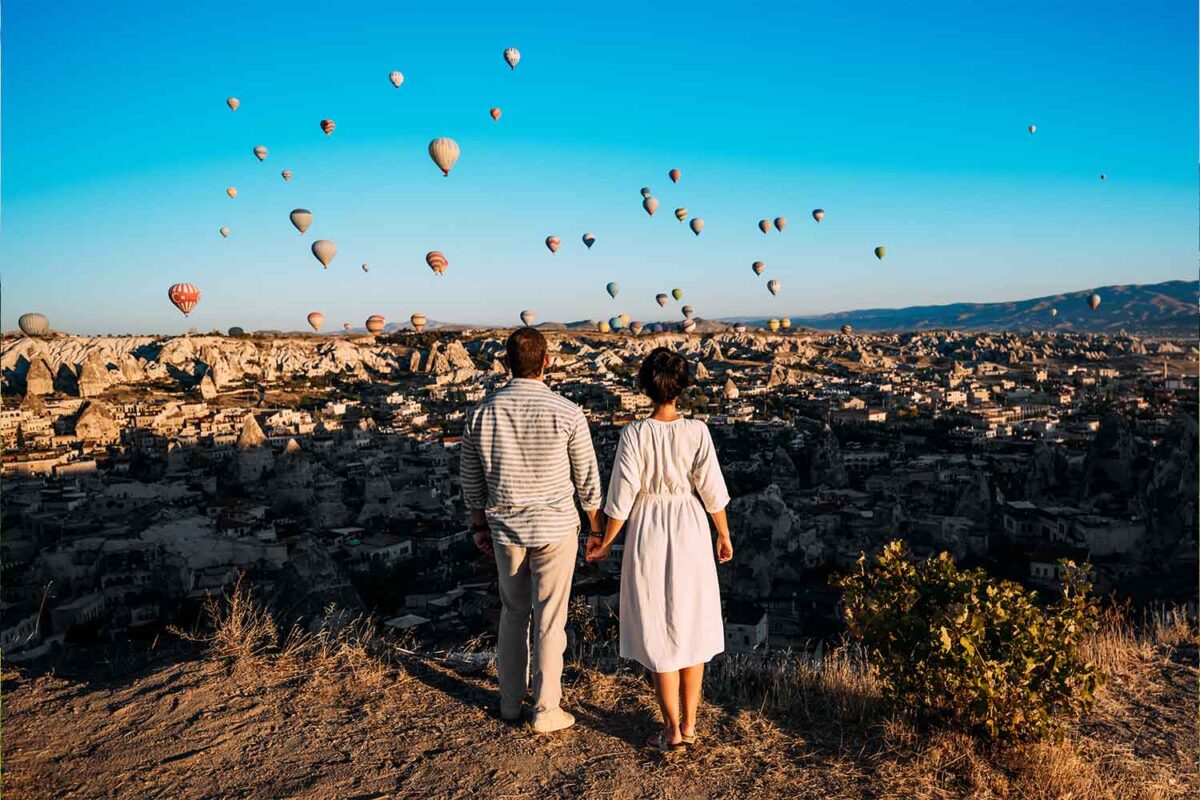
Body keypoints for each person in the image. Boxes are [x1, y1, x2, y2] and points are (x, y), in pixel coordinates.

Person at [586, 347, 733, 752]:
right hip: (689, 524)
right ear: (683, 387)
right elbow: (712, 490)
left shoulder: (634, 433)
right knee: (691, 625)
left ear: (644, 387)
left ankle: (670, 728)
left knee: (659, 625)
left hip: (649, 526)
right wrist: (723, 535)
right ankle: (690, 726)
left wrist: (605, 541)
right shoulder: (697, 431)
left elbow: (621, 497)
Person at [460, 327, 604, 733]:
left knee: (513, 613)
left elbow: (471, 480)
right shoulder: (568, 411)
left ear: (506, 364)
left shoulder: (481, 413)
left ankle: (508, 703)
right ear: (547, 362)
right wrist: (597, 530)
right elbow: (588, 481)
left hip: (505, 527)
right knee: (549, 620)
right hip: (556, 526)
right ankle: (545, 710)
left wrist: (478, 525)